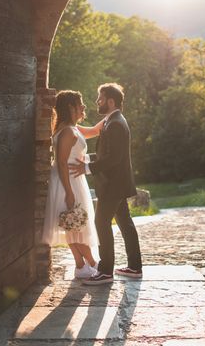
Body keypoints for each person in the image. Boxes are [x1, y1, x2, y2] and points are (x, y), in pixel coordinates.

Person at [70, 83, 143, 285]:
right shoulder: (112, 121)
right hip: (117, 183)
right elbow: (107, 154)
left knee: (101, 223)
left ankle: (105, 272)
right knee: (125, 224)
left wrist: (87, 168)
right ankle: (135, 267)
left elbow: (114, 158)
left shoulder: (116, 123)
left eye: (100, 99)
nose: (97, 102)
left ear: (110, 101)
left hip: (113, 185)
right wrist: (88, 160)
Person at [42, 90, 103, 279]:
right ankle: (92, 264)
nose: (84, 107)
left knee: (73, 223)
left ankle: (80, 266)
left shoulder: (72, 127)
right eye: (80, 104)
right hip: (67, 181)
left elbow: (94, 130)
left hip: (74, 179)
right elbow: (61, 162)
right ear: (71, 107)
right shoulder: (68, 131)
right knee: (76, 223)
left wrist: (111, 115)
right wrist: (69, 192)